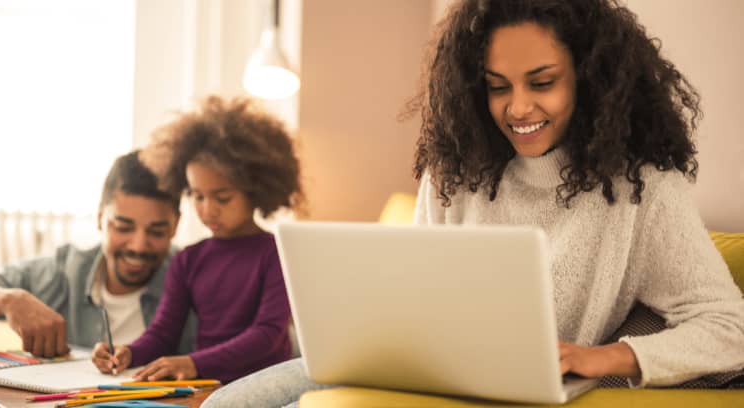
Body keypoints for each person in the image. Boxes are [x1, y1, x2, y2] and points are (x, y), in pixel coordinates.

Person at [200, 0, 744, 406]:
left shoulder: (642, 190)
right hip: (416, 370)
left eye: (543, 82)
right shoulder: (453, 172)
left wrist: (604, 357)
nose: (518, 107)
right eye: (497, 86)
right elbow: (419, 290)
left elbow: (729, 327)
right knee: (225, 404)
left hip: (505, 392)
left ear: (591, 78)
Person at [91, 96, 304, 385]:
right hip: (207, 384)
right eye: (197, 195)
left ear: (256, 189)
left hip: (266, 383)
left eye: (222, 197)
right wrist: (129, 352)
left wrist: (193, 362)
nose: (207, 209)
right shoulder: (188, 260)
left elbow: (267, 335)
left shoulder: (276, 254)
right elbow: (164, 332)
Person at [0, 150, 197, 403]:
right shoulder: (59, 273)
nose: (138, 246)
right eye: (123, 227)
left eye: (157, 231)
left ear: (175, 225)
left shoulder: (197, 276)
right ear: (100, 218)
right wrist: (7, 300)